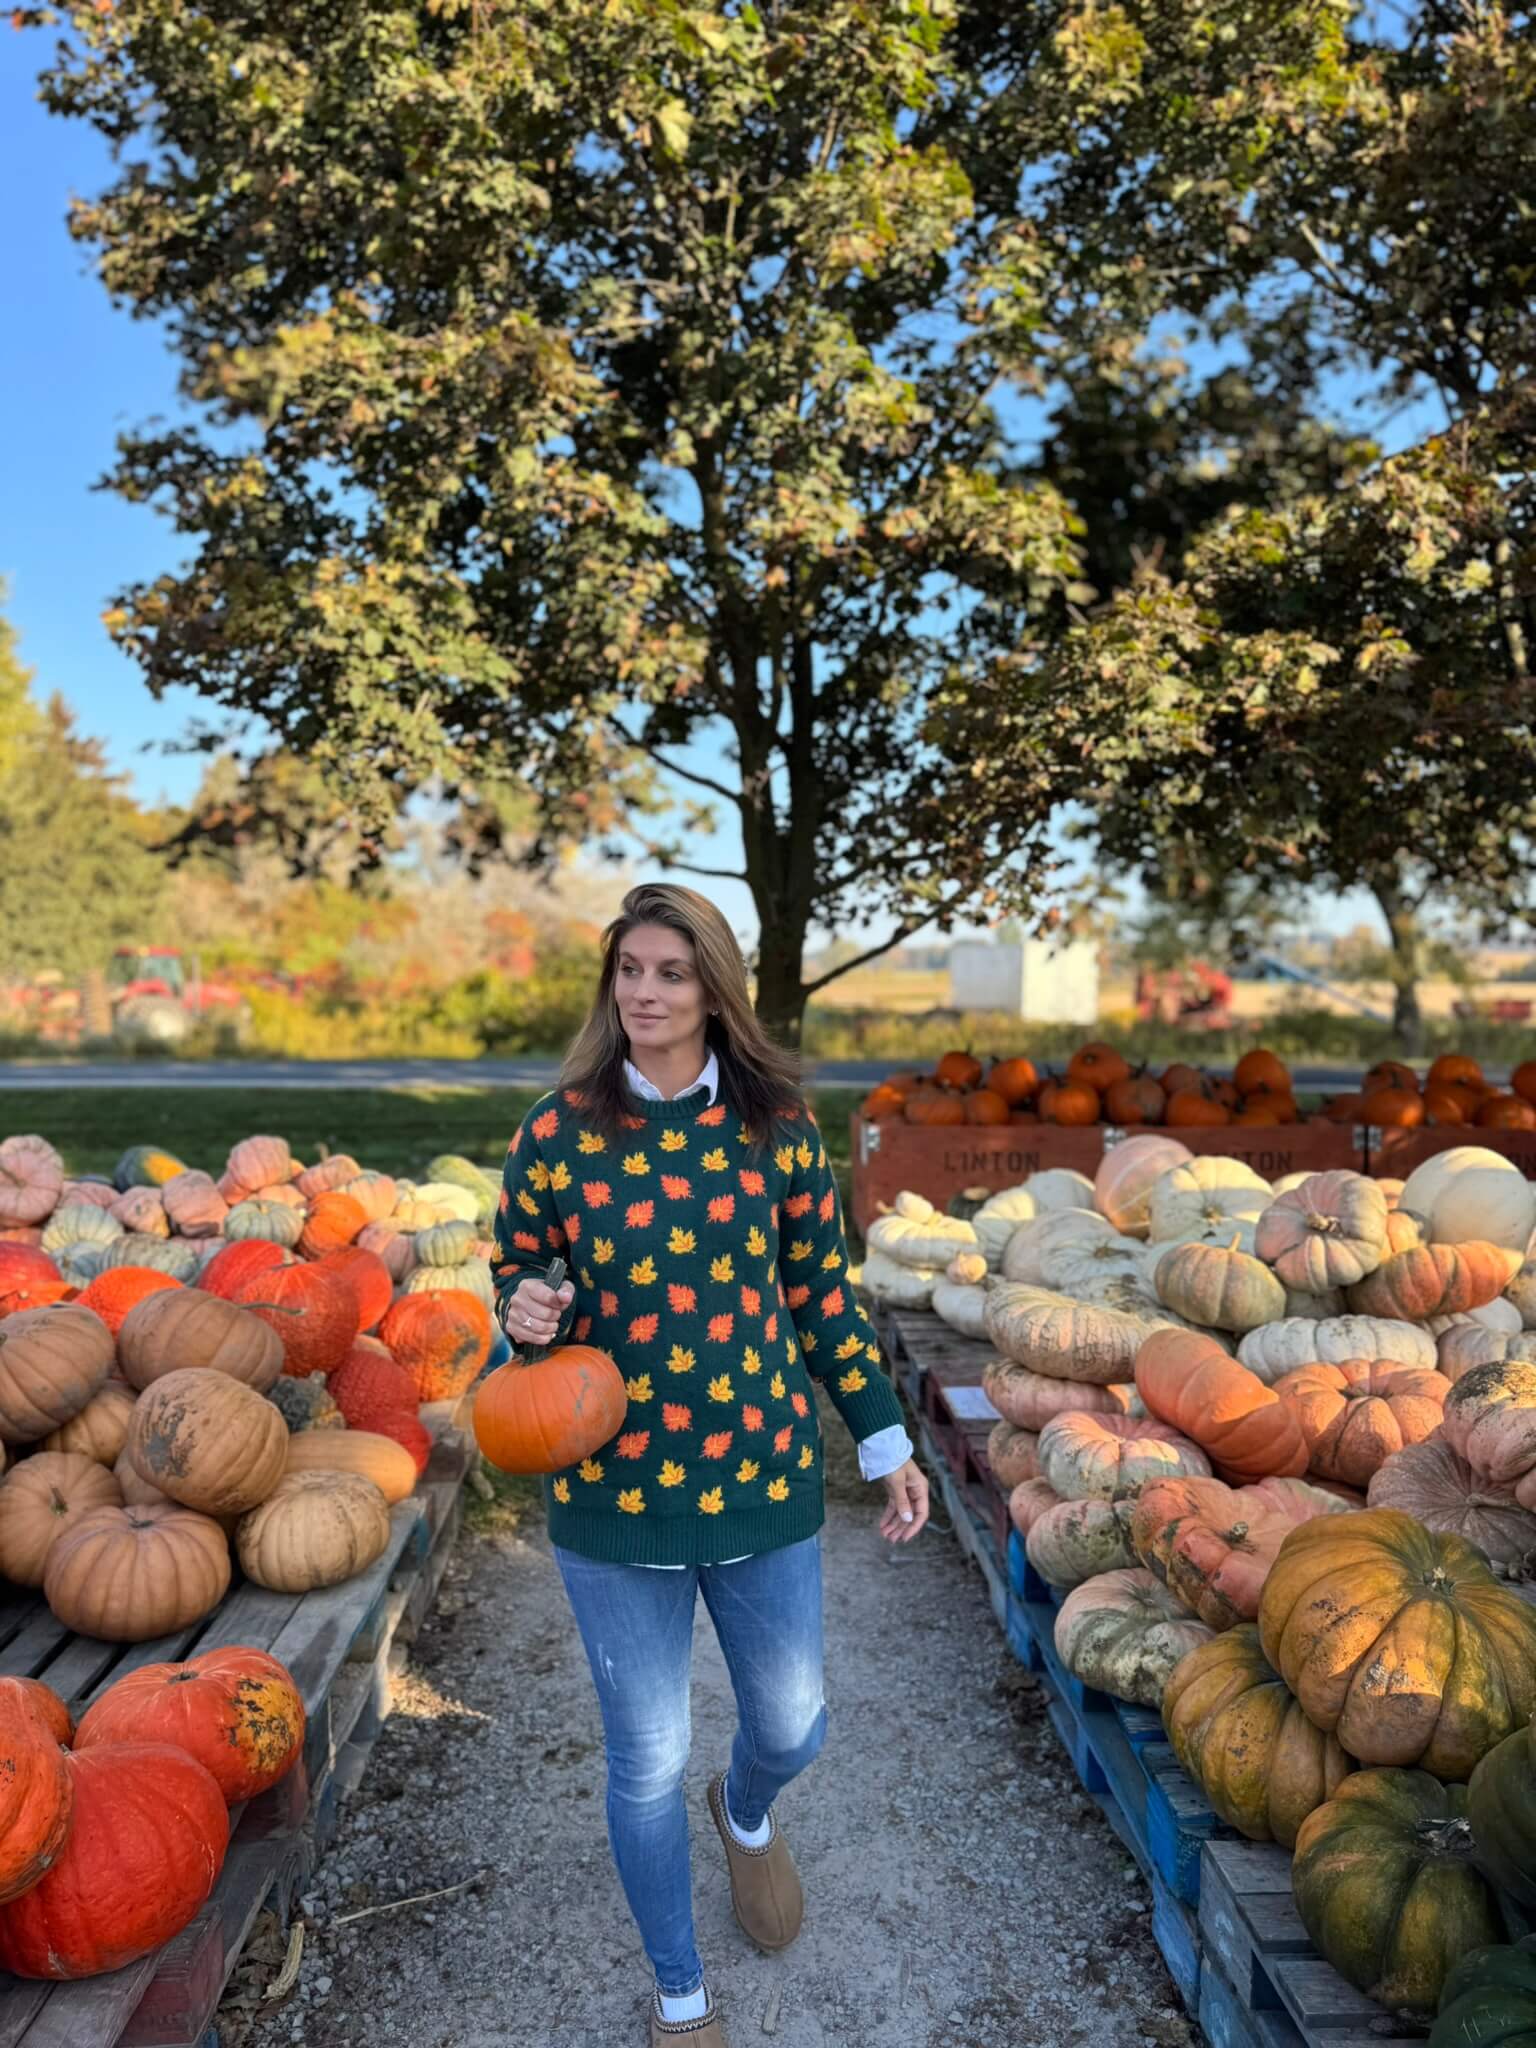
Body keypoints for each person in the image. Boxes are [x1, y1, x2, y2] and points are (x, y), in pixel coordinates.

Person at [490, 884, 930, 2047]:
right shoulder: (557, 1131)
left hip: (760, 1476)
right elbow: (517, 1271)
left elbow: (822, 1296)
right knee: (645, 1755)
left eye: (670, 972)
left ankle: (743, 1811)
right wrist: (521, 1309)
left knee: (794, 1725)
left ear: (714, 988)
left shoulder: (775, 1125)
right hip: (612, 1496)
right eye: (629, 969)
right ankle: (680, 1994)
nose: (644, 991)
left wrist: (884, 1437)